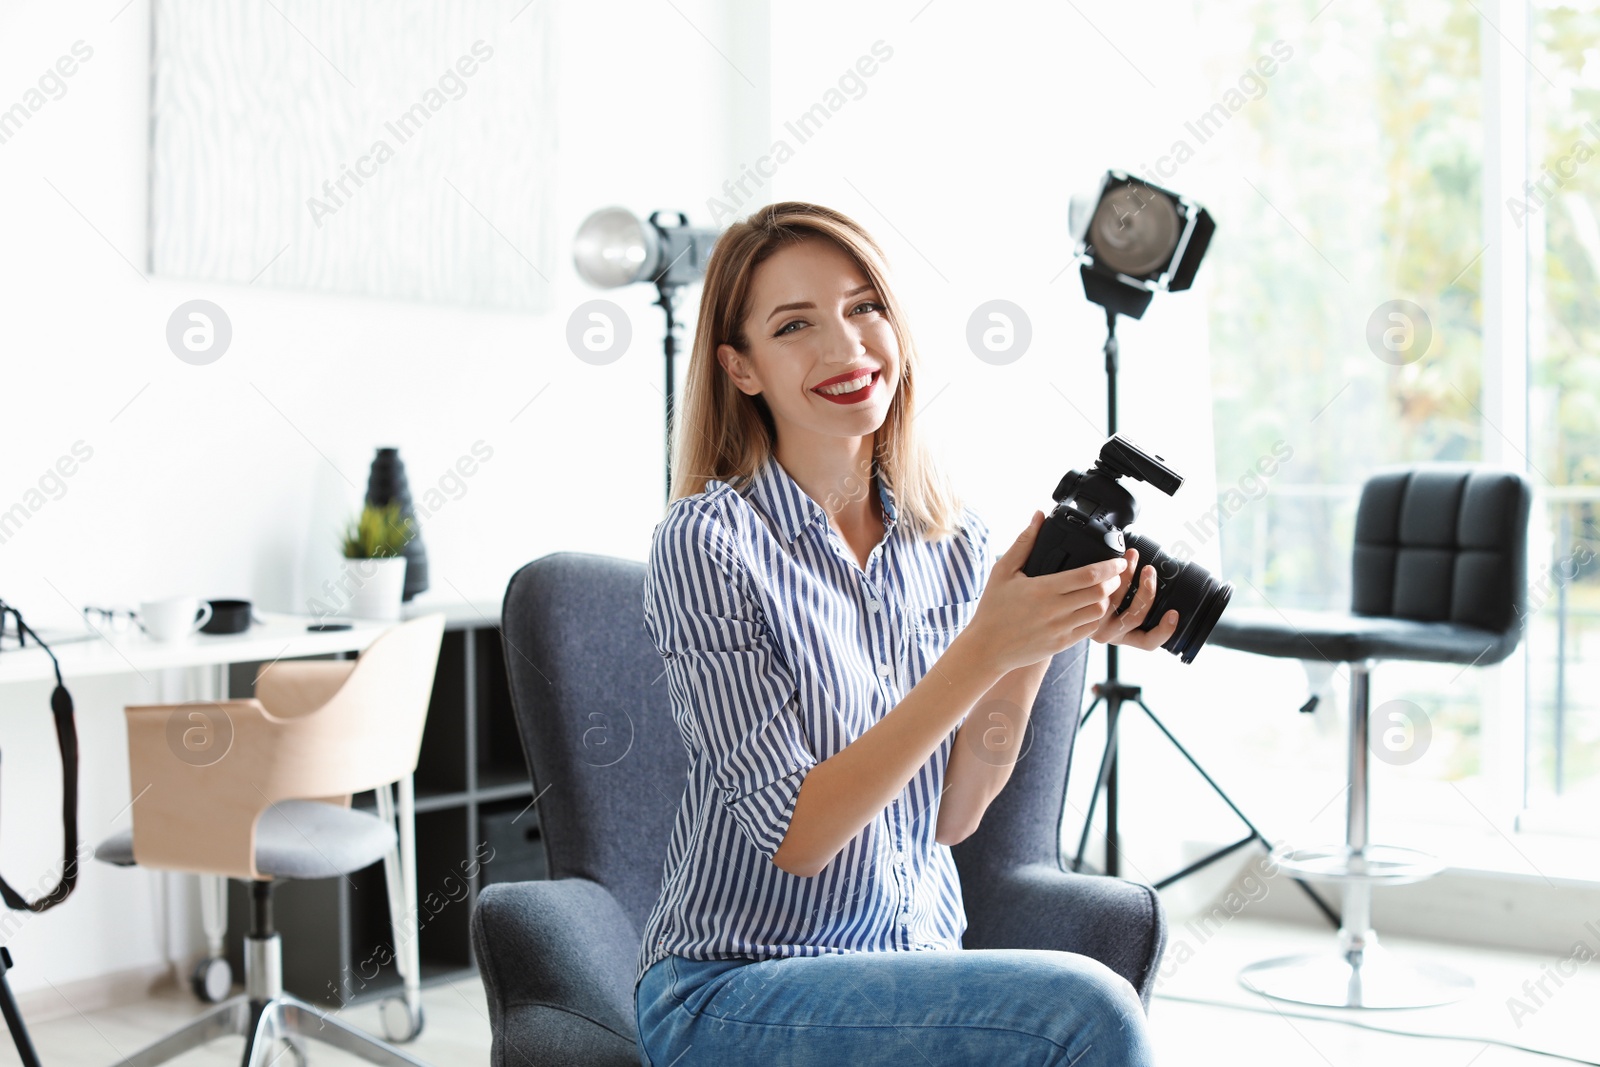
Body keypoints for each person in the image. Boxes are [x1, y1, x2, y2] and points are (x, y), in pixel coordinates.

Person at [634, 201, 1178, 1066]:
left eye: (864, 308)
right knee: (1088, 1014)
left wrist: (1039, 634)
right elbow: (799, 837)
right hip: (734, 989)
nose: (845, 348)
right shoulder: (708, 541)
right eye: (795, 326)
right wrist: (985, 646)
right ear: (741, 368)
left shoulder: (951, 539)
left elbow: (956, 813)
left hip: (910, 966)